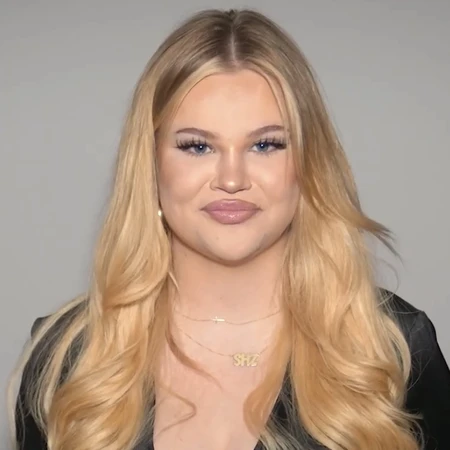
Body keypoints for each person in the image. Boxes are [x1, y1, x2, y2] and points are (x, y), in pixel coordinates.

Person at [9, 8, 450, 450]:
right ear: (150, 163)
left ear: (309, 163)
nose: (232, 179)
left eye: (265, 144)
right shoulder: (68, 358)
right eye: (198, 146)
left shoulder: (393, 348)